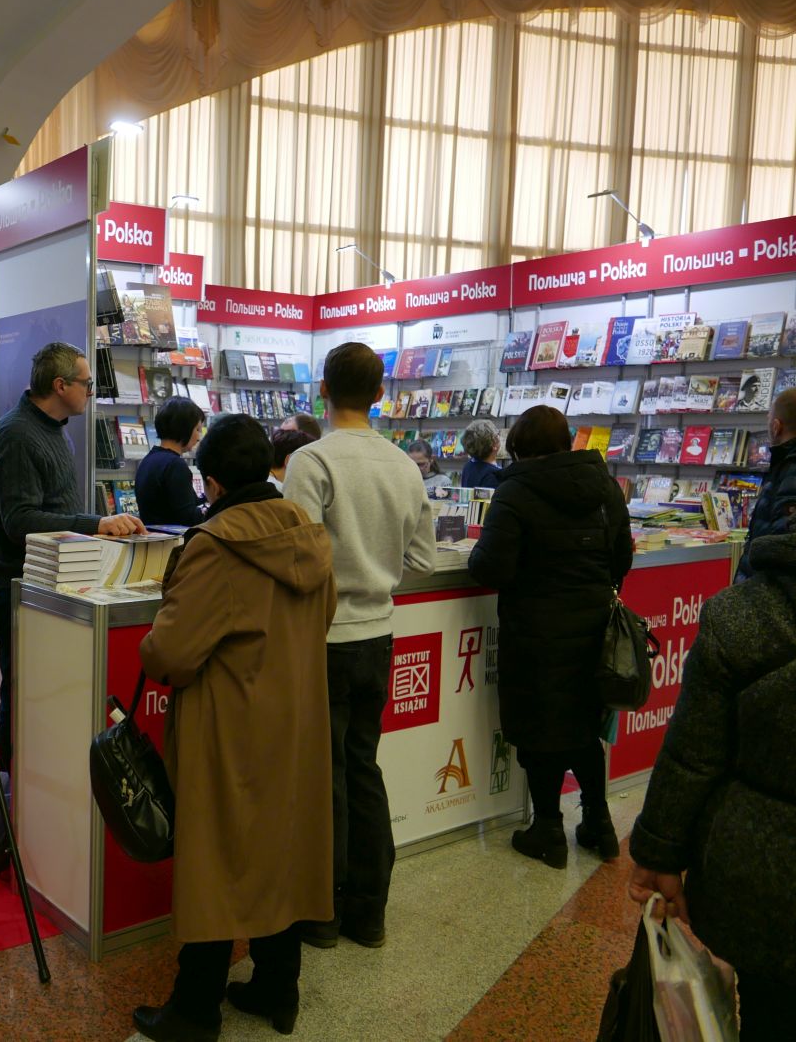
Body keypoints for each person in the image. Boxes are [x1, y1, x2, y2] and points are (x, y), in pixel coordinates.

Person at [134, 414, 336, 1041]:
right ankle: (278, 984)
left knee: (217, 859)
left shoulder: (216, 547)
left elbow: (170, 653)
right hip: (296, 719)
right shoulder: (307, 532)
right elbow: (323, 617)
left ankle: (194, 1010)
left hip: (229, 724)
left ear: (213, 483)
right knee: (280, 849)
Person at [282, 341, 435, 950]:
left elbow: (296, 559)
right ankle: (369, 912)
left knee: (325, 776)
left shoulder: (311, 460)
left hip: (326, 638)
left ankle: (322, 912)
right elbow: (422, 560)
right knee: (364, 767)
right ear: (379, 394)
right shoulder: (404, 465)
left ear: (322, 389)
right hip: (379, 635)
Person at [627, 513, 796, 1039]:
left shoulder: (746, 613)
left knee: (769, 1014)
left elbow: (695, 755)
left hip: (764, 880)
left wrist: (659, 855)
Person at [467, 405, 632, 870]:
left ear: (520, 446)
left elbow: (492, 568)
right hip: (594, 628)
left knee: (540, 730)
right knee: (583, 727)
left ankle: (548, 830)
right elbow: (622, 557)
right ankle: (599, 824)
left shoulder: (515, 490)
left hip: (535, 631)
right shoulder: (606, 487)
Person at [0, 342, 144, 767]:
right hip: (21, 584)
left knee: (47, 689)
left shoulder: (53, 429)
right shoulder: (16, 435)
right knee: (24, 687)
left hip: (55, 580)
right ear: (60, 385)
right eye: (87, 383)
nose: (91, 391)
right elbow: (20, 521)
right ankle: (16, 783)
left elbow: (53, 508)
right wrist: (96, 524)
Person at [736, 387, 795, 579]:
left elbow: (780, 549)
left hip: (765, 588)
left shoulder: (789, 469)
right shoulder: (784, 465)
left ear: (776, 427)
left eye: (769, 419)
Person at [135, 396, 206, 526]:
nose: (198, 437)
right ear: (184, 428)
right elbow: (187, 517)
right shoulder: (175, 465)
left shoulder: (149, 460)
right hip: (172, 537)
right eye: (197, 429)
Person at [460, 419, 503, 489]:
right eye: (498, 434)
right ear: (494, 444)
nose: (499, 436)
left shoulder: (468, 466)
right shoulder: (495, 475)